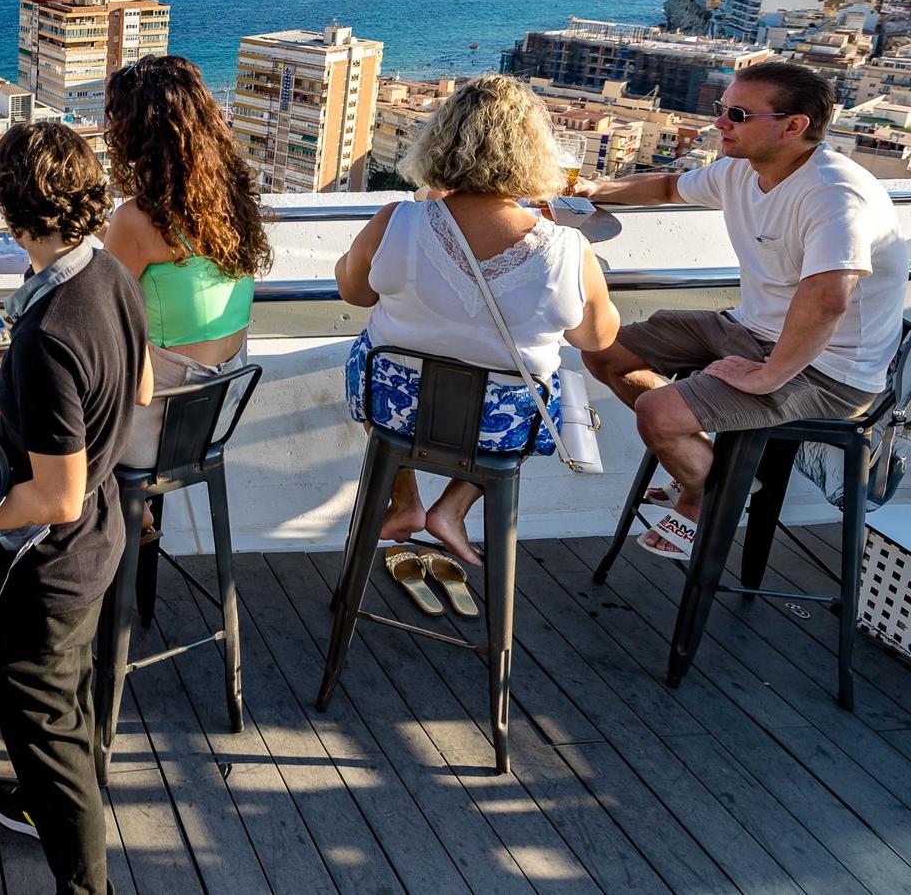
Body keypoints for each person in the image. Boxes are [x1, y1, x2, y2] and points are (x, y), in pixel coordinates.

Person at [579, 60, 908, 561]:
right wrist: (584, 192)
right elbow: (670, 187)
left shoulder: (835, 194)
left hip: (828, 370)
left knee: (659, 414)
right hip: (750, 327)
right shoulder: (740, 170)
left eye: (736, 112)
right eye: (720, 108)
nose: (719, 123)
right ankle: (717, 472)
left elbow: (828, 299)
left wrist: (767, 377)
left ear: (793, 126)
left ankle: (701, 496)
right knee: (603, 349)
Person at [0, 121, 151, 895]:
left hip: (52, 555)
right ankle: (48, 790)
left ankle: (84, 877)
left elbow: (54, 494)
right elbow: (137, 391)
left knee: (23, 679)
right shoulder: (110, 275)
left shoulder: (46, 334)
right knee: (65, 691)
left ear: (16, 217)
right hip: (101, 535)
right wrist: (16, 395)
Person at [335, 75, 619, 564]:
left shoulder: (397, 220)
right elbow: (595, 336)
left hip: (394, 409)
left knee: (375, 351)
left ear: (440, 143)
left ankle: (406, 501)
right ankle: (454, 504)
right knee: (536, 381)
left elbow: (354, 292)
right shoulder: (567, 249)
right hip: (502, 428)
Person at [101, 54, 270, 486]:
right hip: (215, 417)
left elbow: (97, 310)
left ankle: (64, 526)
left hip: (154, 430)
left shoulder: (138, 220)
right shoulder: (230, 201)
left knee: (16, 378)